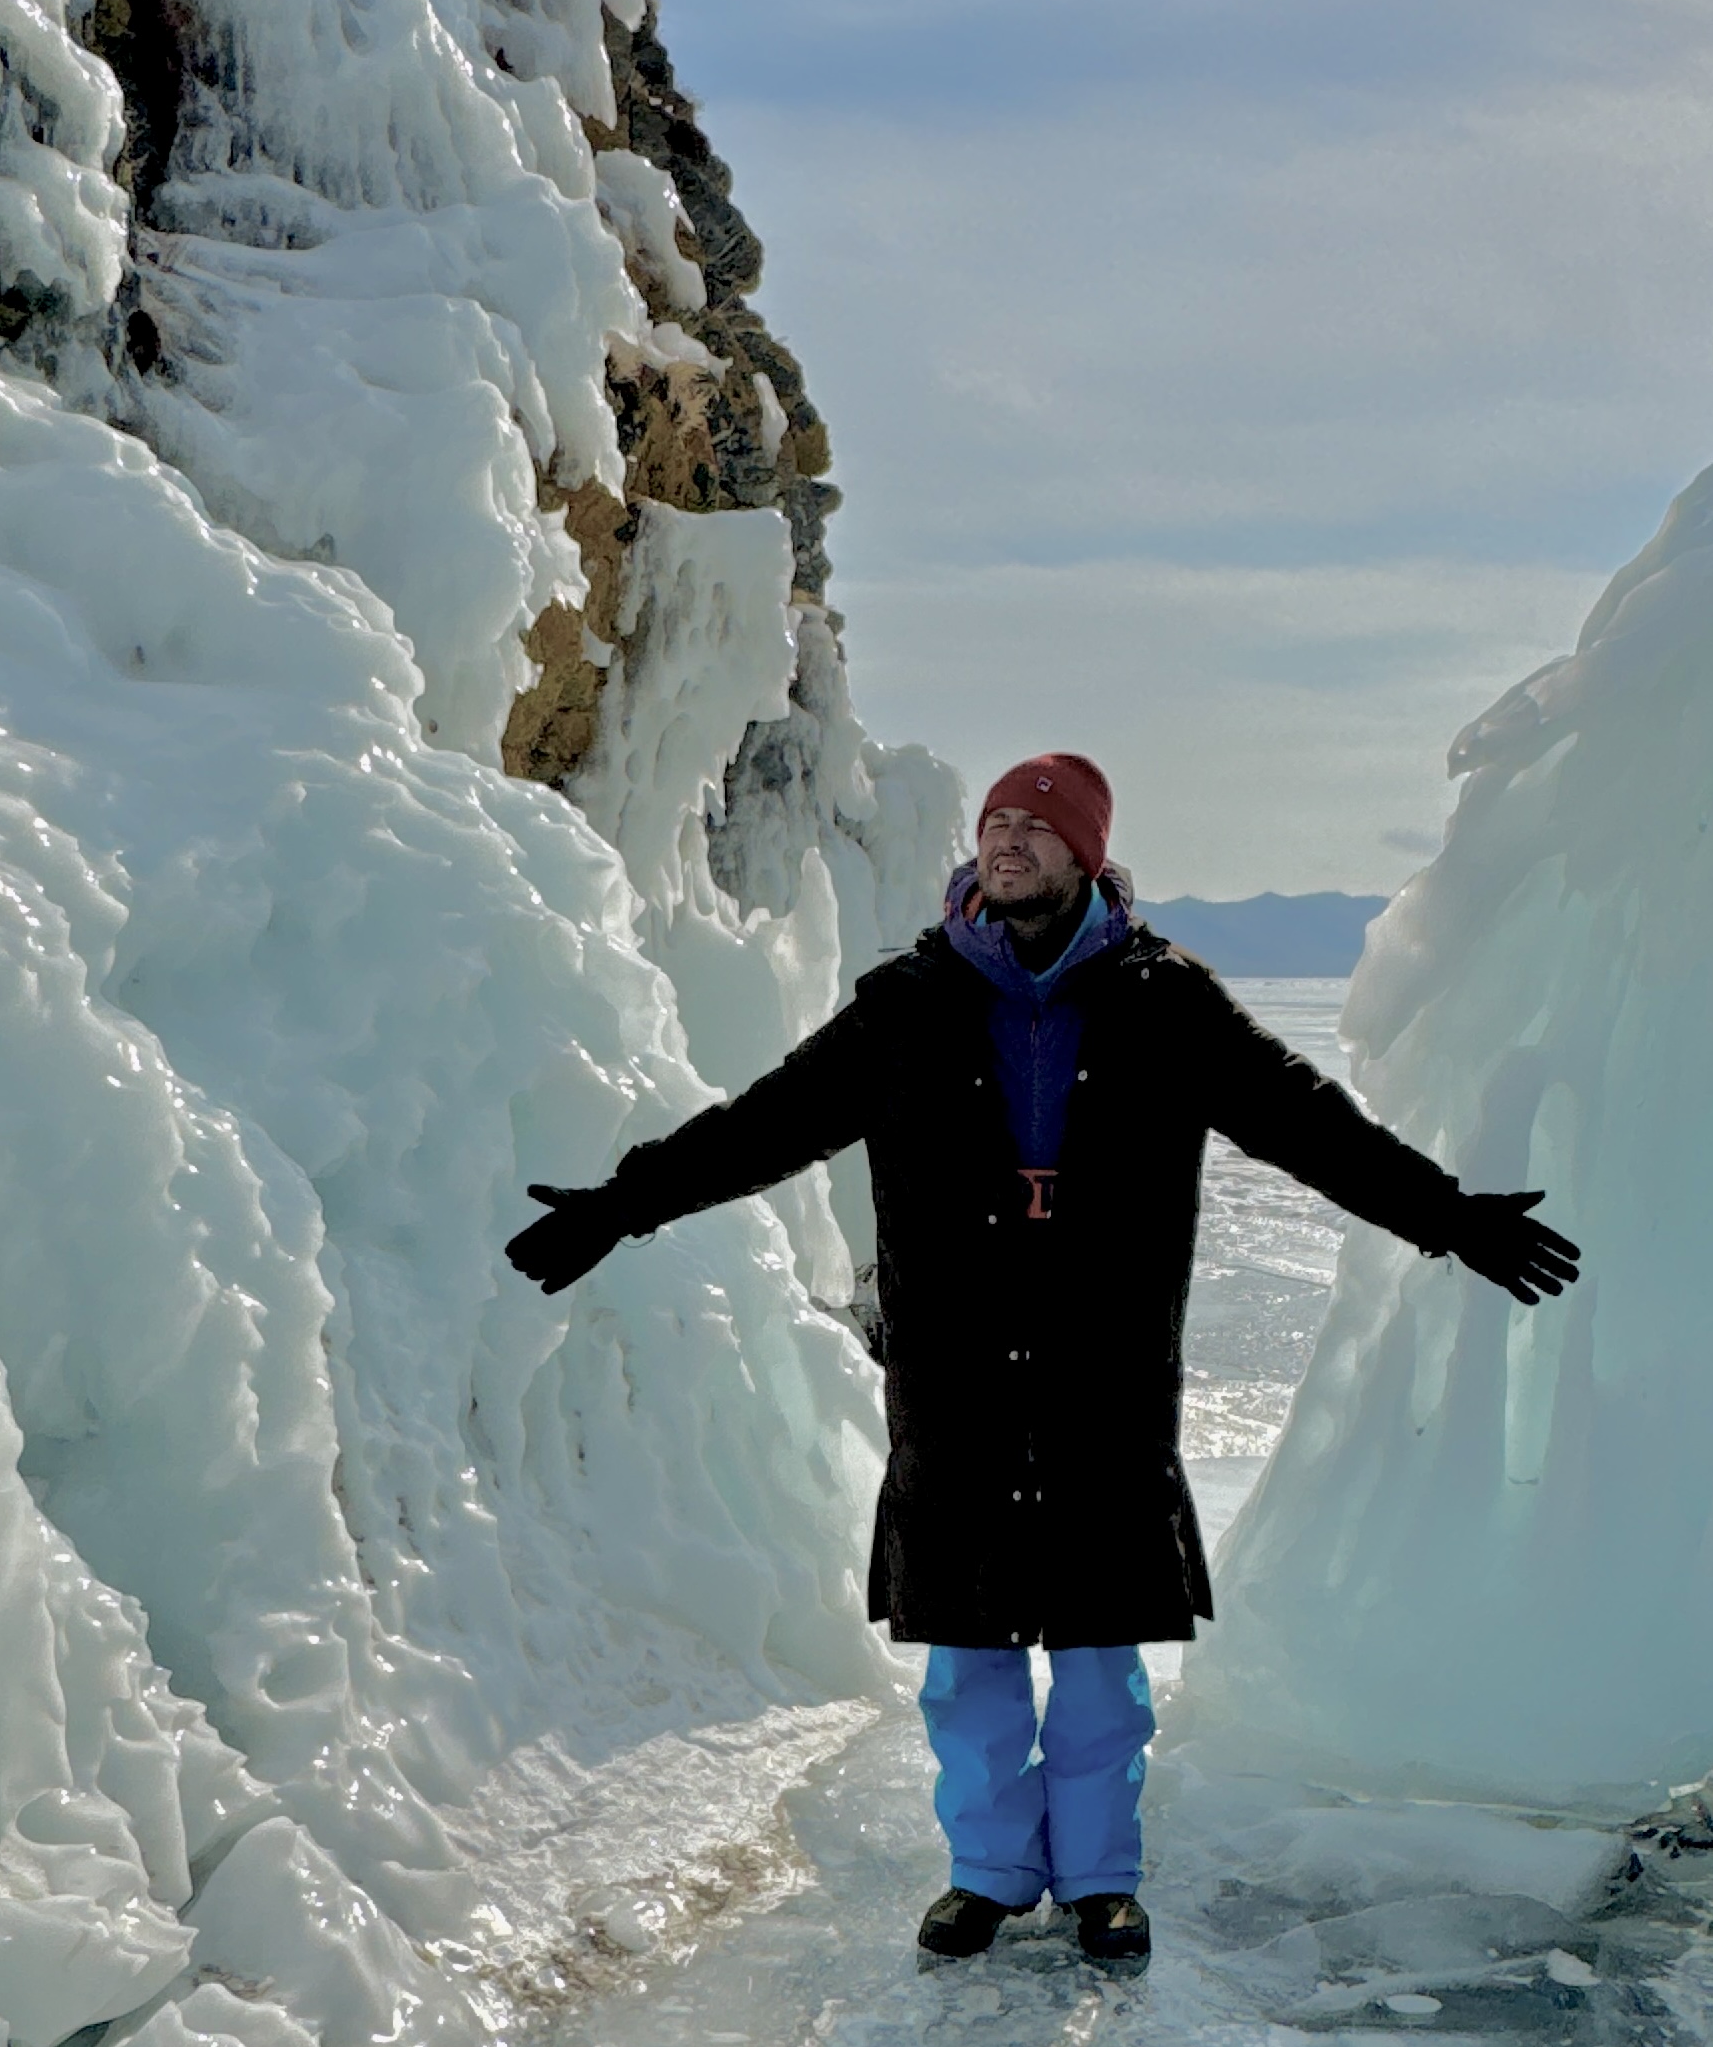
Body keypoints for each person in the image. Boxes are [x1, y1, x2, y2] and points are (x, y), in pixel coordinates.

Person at [507, 751, 1579, 1969]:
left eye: (1035, 825)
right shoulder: (906, 1006)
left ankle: (1102, 1882)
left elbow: (1305, 1123)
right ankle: (988, 1875)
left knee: (1096, 1658)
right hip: (955, 1379)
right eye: (995, 823)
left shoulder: (1167, 1004)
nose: (1007, 841)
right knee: (967, 1663)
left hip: (1103, 1378)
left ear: (1085, 852)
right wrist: (623, 1204)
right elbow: (767, 1121)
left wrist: (1449, 1217)